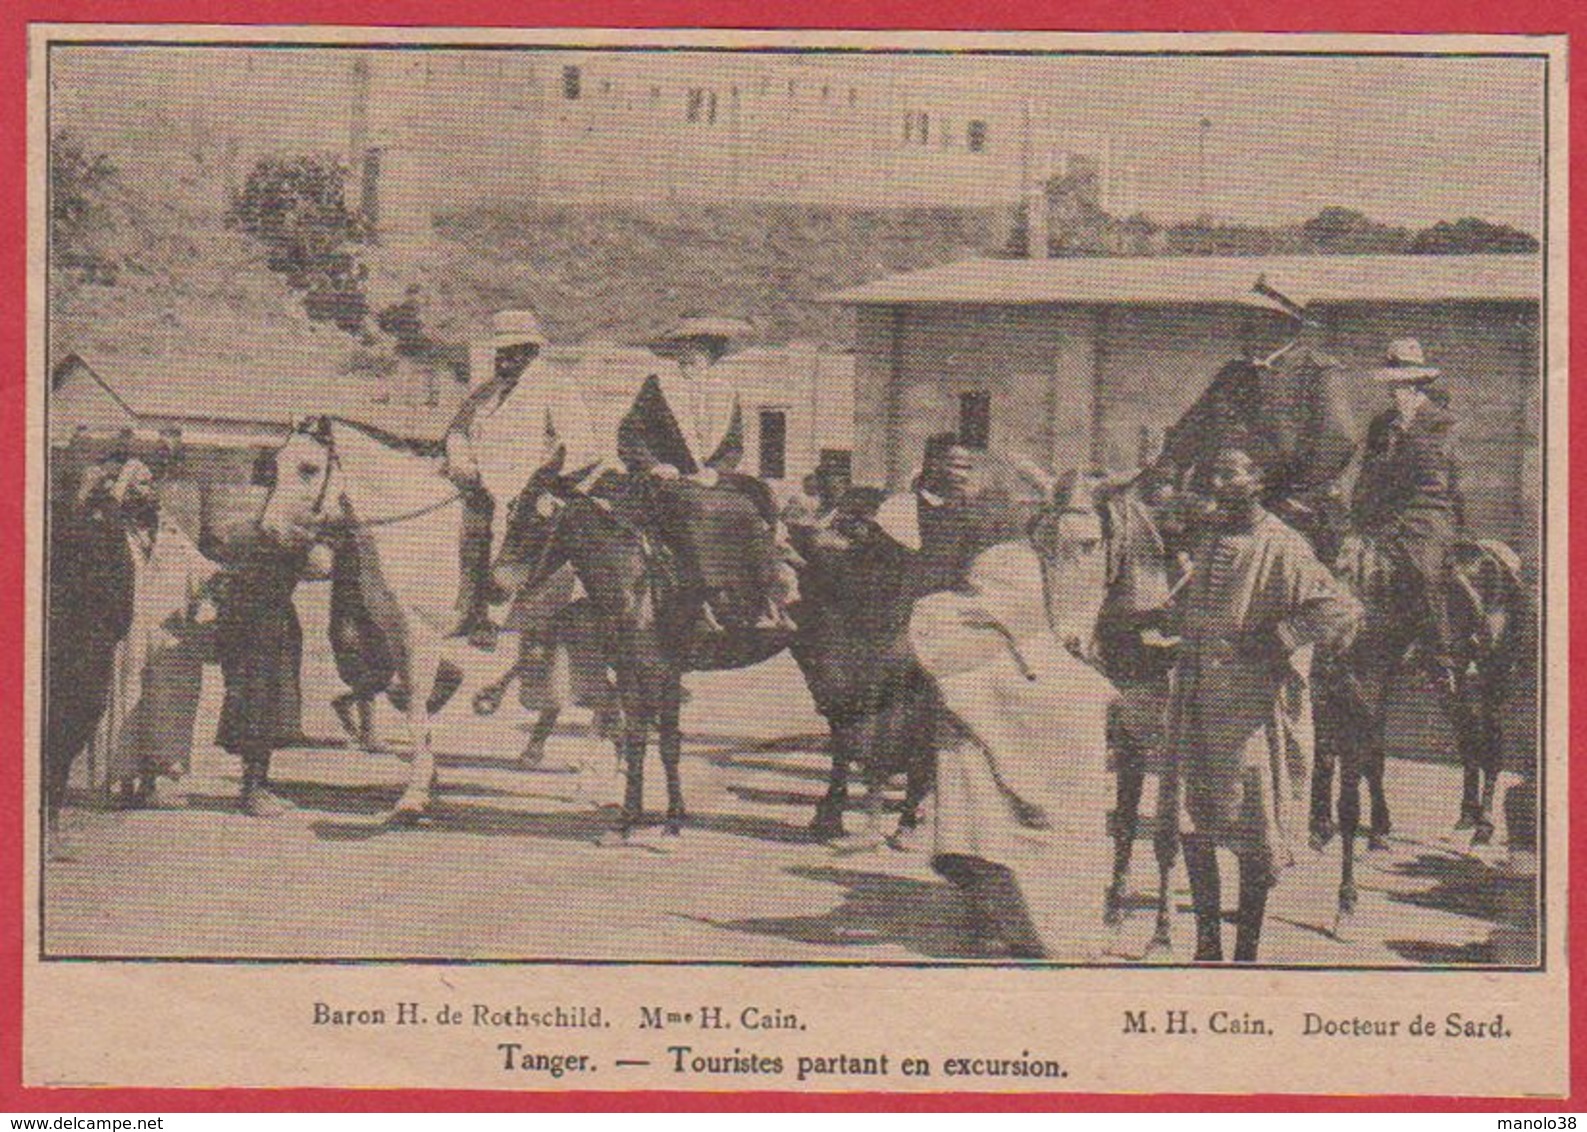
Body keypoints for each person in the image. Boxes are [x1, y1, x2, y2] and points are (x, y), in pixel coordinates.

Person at [1151, 447, 1360, 963]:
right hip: (1196, 704)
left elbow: (1339, 605)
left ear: (1257, 479)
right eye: (1214, 472)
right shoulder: (1213, 538)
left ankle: (1246, 952)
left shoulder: (1283, 546)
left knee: (1250, 831)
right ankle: (1206, 947)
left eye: (1230, 472)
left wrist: (1279, 638)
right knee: (1192, 825)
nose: (1218, 481)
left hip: (1249, 715)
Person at [910, 474, 1119, 959]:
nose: (1078, 553)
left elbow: (1067, 632)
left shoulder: (1081, 566)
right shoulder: (1007, 563)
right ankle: (991, 915)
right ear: (1044, 523)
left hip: (1036, 698)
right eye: (1069, 541)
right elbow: (996, 633)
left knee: (1068, 789)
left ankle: (1047, 913)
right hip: (989, 697)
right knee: (981, 804)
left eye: (1088, 545)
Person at [619, 314, 796, 632]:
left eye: (703, 348)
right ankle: (703, 597)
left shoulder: (725, 391)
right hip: (666, 480)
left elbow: (733, 445)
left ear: (713, 353)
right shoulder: (658, 386)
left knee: (751, 504)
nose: (695, 355)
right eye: (688, 347)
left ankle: (766, 589)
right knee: (698, 509)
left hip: (709, 479)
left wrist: (715, 471)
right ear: (677, 350)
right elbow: (630, 435)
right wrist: (655, 465)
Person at [204, 455, 329, 818]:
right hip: (259, 620)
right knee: (259, 702)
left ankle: (256, 785)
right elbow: (320, 565)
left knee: (262, 700)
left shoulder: (249, 526)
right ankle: (252, 790)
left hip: (258, 618)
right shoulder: (273, 528)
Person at [100, 457, 218, 807]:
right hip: (127, 632)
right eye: (141, 484)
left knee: (166, 703)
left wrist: (227, 577)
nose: (150, 491)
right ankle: (122, 783)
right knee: (123, 702)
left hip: (169, 631)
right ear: (123, 489)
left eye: (152, 484)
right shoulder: (111, 532)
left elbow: (202, 569)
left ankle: (153, 785)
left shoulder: (169, 531)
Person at [1350, 337, 1464, 688]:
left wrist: (1405, 429)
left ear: (1419, 383)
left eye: (1405, 383)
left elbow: (1426, 475)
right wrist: (1357, 516)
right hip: (1385, 513)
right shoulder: (1381, 424)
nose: (1397, 390)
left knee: (1421, 566)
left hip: (1426, 509)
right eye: (1393, 383)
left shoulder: (1442, 423)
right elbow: (1369, 474)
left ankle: (1443, 658)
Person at [44, 455, 140, 858]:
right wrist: (106, 495)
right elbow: (82, 546)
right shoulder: (69, 523)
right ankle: (44, 826)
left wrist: (114, 629)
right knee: (55, 728)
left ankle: (48, 823)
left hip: (95, 640)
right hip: (65, 639)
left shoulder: (111, 525)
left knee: (80, 720)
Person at [443, 308, 552, 649]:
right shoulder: (485, 392)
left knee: (508, 537)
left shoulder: (553, 389)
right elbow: (457, 430)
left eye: (514, 352)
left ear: (530, 353)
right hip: (479, 485)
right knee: (462, 532)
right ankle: (463, 607)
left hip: (530, 489)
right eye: (501, 352)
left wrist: (542, 484)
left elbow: (571, 446)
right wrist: (459, 456)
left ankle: (493, 616)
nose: (504, 360)